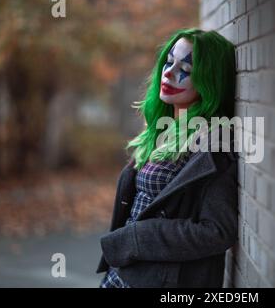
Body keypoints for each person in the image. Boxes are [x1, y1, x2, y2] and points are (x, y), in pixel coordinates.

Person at [96, 28, 238, 288]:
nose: (170, 72)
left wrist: (138, 237)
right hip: (124, 273)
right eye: (169, 61)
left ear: (209, 80)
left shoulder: (212, 141)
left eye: (186, 68)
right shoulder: (163, 128)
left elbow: (218, 231)